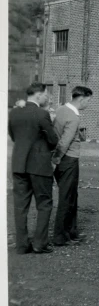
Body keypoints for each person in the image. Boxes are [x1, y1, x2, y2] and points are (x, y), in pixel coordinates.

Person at [8, 83, 59, 254]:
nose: (47, 97)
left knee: (20, 206)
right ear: (39, 95)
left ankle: (21, 245)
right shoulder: (41, 114)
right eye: (46, 94)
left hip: (19, 164)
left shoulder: (14, 112)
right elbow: (53, 140)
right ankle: (40, 244)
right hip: (39, 165)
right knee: (44, 204)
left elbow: (14, 136)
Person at [52, 85, 93, 246]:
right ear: (81, 98)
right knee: (67, 197)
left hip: (62, 158)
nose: (88, 104)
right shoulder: (74, 117)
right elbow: (65, 141)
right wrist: (56, 159)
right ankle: (61, 236)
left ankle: (71, 232)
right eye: (88, 100)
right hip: (68, 159)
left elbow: (57, 133)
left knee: (70, 196)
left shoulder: (61, 109)